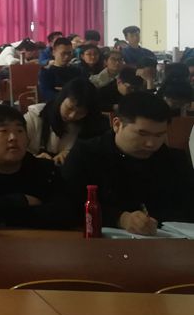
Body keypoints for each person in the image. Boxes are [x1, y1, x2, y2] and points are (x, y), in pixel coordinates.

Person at [62, 93, 194, 234]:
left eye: (159, 135)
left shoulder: (174, 160)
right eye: (142, 134)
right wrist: (120, 219)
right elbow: (68, 206)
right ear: (117, 124)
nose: (151, 144)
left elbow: (188, 207)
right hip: (101, 241)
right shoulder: (86, 154)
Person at [25, 78, 108, 164]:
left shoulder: (88, 125)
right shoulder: (34, 117)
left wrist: (74, 155)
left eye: (80, 113)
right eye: (69, 108)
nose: (72, 116)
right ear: (61, 99)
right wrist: (33, 159)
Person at [38, 37, 82, 102]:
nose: (67, 56)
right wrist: (68, 93)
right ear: (54, 52)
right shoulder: (46, 72)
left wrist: (64, 91)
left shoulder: (77, 71)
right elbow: (46, 94)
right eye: (63, 53)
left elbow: (82, 90)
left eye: (69, 53)